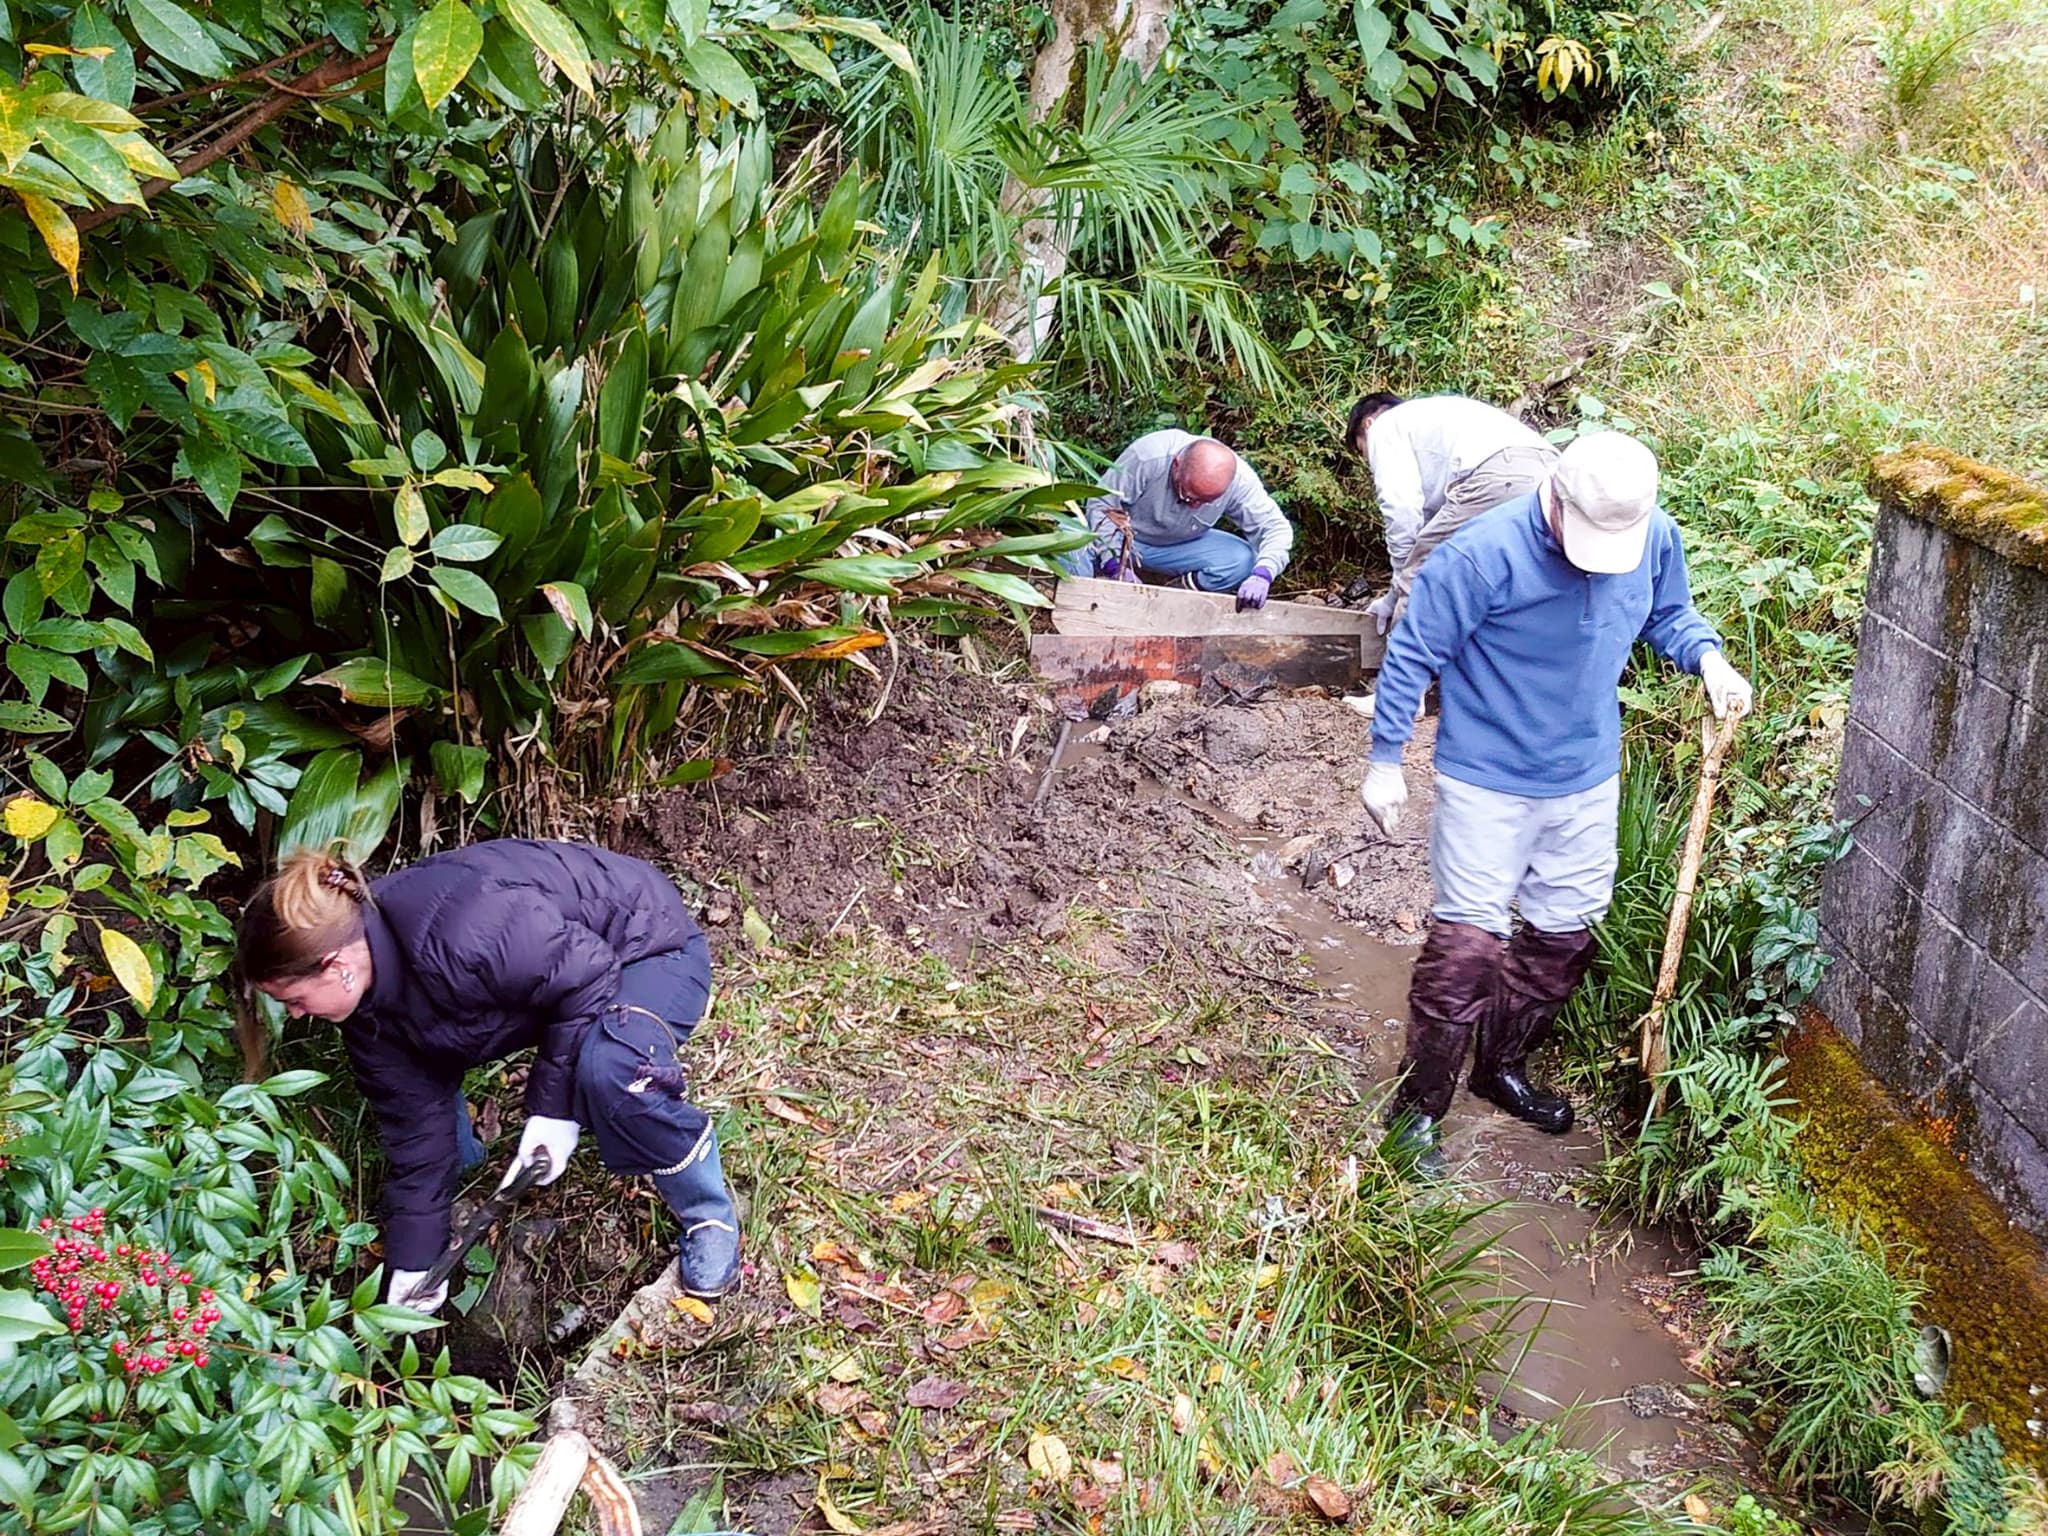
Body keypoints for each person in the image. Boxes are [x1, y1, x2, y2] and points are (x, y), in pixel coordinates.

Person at [1358, 432, 1752, 1176]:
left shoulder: (1652, 535)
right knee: (1465, 951)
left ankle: (1499, 1066)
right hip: (1487, 777)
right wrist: (1385, 761)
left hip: (1587, 776)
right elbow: (1413, 653)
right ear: (1557, 498)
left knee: (1562, 942)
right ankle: (1417, 1110)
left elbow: (1668, 614)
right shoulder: (1481, 556)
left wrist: (1709, 658)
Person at [237, 839, 740, 1311]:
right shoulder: (366, 1018)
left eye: (294, 1000)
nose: (297, 1016)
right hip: (561, 976)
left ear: (336, 965)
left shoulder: (462, 927)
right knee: (446, 1146)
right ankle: (476, 1167)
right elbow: (416, 1136)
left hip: (647, 948)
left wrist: (552, 1112)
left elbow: (588, 977)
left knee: (609, 1070)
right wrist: (412, 1267)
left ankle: (707, 1212)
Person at [1345, 391, 1560, 636]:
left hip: (1499, 473)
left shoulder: (1383, 427)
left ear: (1367, 424)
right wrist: (1392, 596)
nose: (1367, 458)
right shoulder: (1432, 420)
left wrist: (1401, 584)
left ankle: (1402, 667)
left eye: (1361, 450)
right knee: (1501, 581)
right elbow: (1432, 526)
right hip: (1550, 474)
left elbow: (1401, 509)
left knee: (1423, 574)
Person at [1075, 430, 1294, 610]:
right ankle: (1084, 602)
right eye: (1188, 496)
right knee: (1070, 540)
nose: (1194, 505)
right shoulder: (1149, 456)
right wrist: (1114, 563)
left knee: (1242, 560)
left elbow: (1275, 528)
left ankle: (1175, 597)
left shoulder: (1240, 482)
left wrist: (1264, 573)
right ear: (1177, 465)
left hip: (1174, 548)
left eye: (1206, 501)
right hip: (1122, 538)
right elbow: (1102, 505)